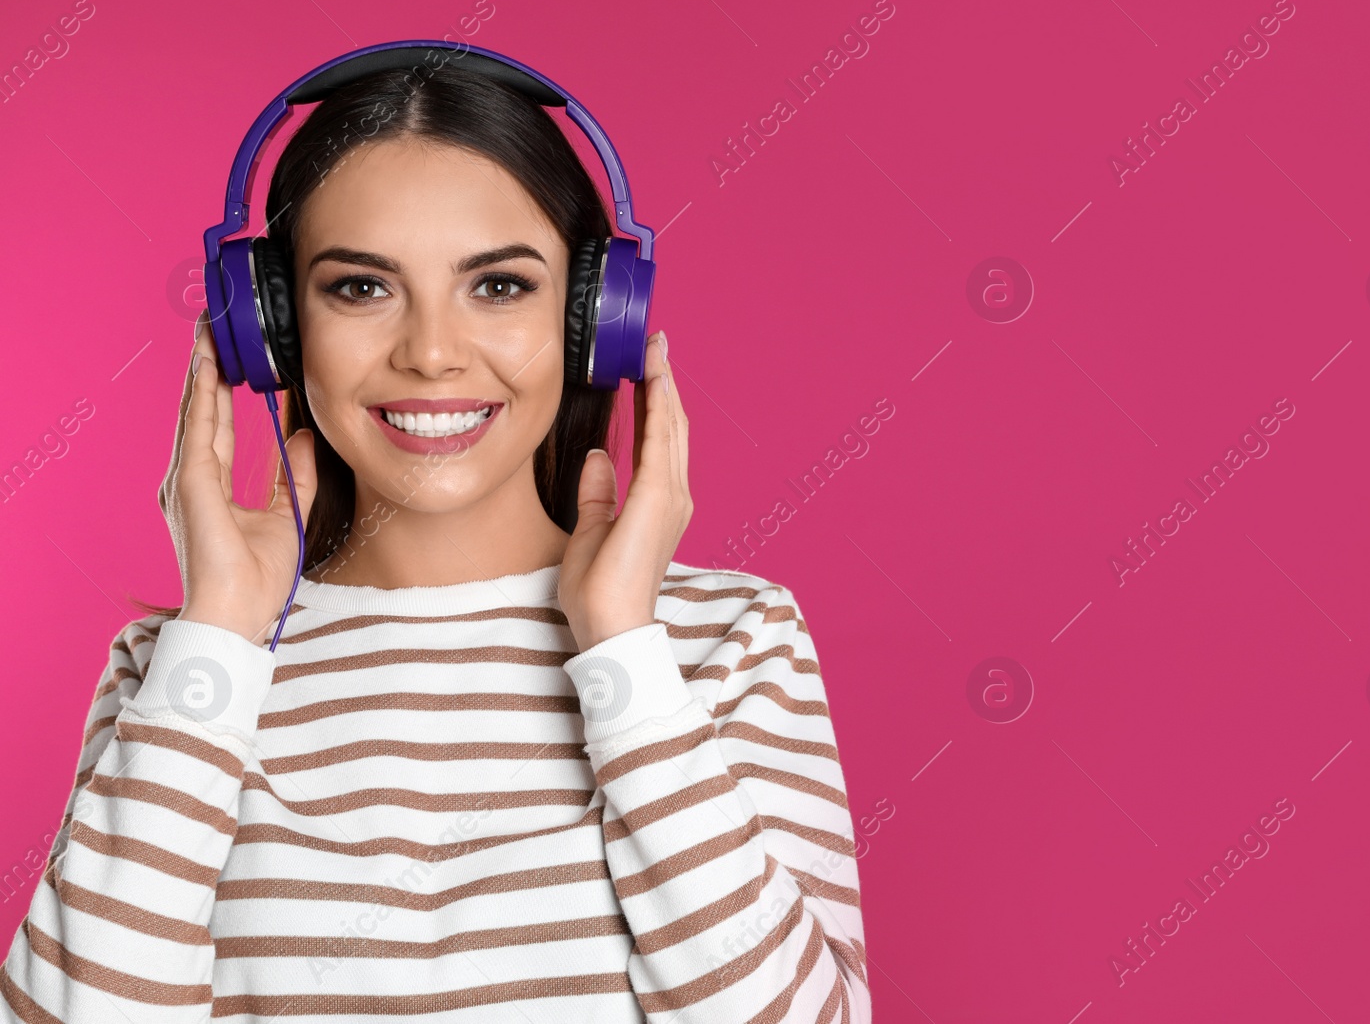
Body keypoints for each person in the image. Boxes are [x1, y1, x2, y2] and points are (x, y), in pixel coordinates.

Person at [1, 61, 869, 1022]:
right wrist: (218, 639)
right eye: (362, 286)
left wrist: (625, 653)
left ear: (594, 318)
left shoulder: (733, 640)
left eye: (497, 284)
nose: (430, 350)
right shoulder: (184, 673)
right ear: (273, 330)